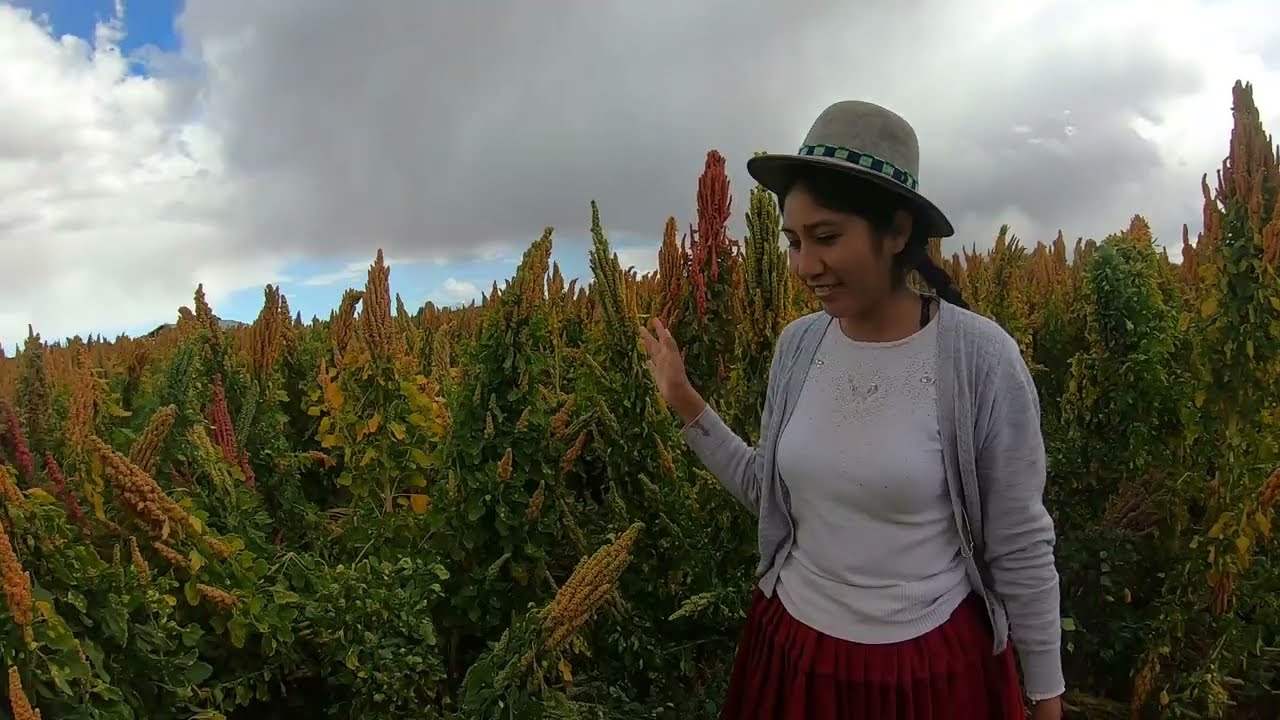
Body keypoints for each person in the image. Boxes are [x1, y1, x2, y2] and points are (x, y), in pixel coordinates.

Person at [640, 101, 1065, 719]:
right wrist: (684, 401)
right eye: (793, 241)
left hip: (926, 674)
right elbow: (772, 491)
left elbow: (1019, 540)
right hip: (793, 657)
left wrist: (1046, 697)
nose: (804, 265)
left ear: (895, 231)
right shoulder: (799, 345)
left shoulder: (979, 357)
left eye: (828, 237)